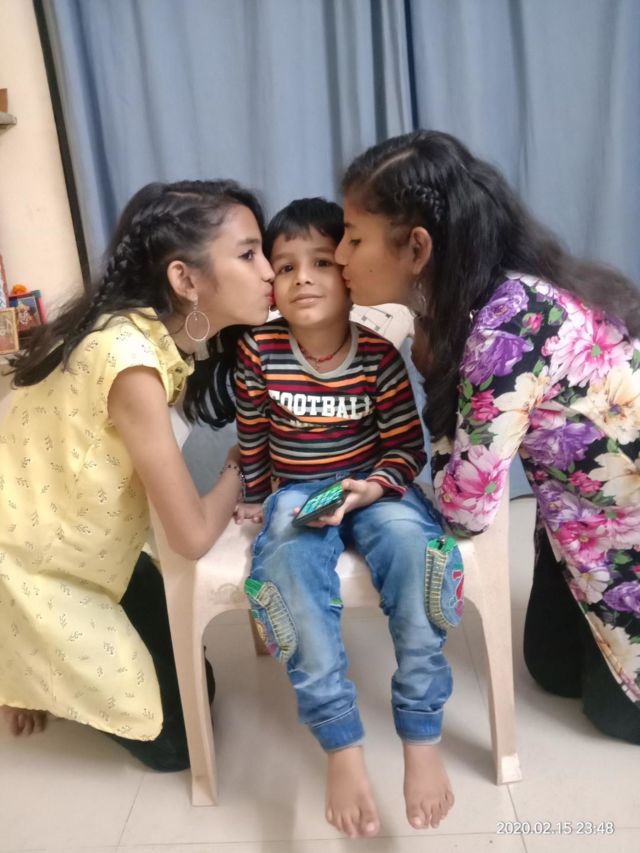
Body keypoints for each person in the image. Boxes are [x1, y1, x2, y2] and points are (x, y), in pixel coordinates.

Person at [334, 129, 640, 746]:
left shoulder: (508, 323)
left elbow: (466, 513)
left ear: (417, 247)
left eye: (354, 237)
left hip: (623, 534)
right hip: (576, 524)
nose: (340, 256)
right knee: (550, 671)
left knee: (613, 718)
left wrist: (430, 373)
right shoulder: (493, 294)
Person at [0, 179, 274, 770]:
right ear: (185, 279)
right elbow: (192, 536)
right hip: (31, 564)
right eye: (249, 254)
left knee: (198, 683)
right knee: (177, 745)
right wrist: (239, 465)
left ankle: (35, 664)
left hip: (99, 554)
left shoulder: (149, 338)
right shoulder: (129, 359)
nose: (270, 271)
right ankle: (18, 662)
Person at [234, 198, 461, 837]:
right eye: (285, 267)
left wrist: (374, 488)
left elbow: (406, 449)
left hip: (374, 485)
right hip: (298, 493)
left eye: (321, 263)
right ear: (271, 283)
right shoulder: (259, 352)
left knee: (417, 552)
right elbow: (252, 435)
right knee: (285, 567)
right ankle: (341, 745)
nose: (302, 278)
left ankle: (422, 735)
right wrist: (256, 493)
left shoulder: (379, 356)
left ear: (348, 276)